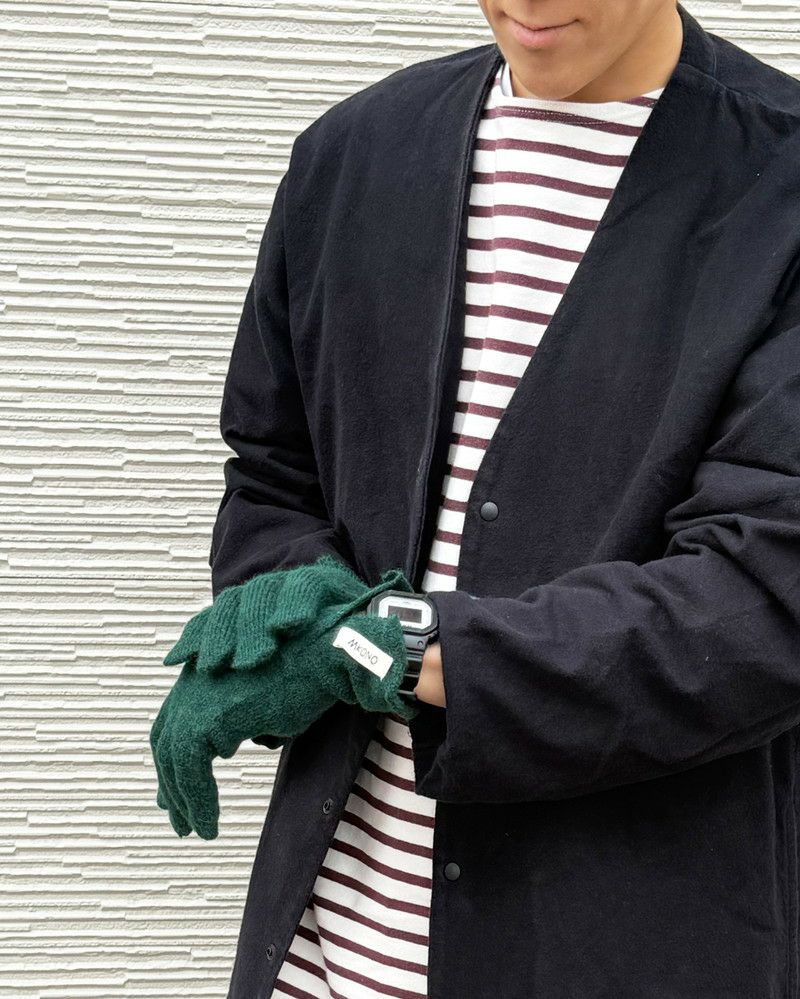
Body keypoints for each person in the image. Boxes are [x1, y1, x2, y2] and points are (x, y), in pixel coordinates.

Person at [150, 2, 800, 996]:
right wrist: (292, 619)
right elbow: (272, 468)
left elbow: (761, 602)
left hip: (623, 941)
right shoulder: (354, 153)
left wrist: (390, 648)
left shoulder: (779, 184)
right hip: (327, 946)